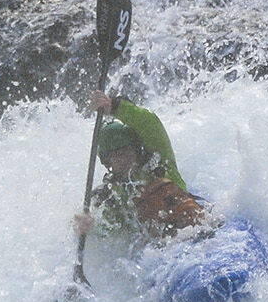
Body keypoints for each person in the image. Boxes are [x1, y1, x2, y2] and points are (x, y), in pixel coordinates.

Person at [72, 91, 213, 243]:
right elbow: (109, 231)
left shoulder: (160, 162)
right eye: (117, 155)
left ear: (137, 149)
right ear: (108, 161)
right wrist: (88, 227)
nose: (124, 159)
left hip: (200, 232)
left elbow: (149, 123)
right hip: (160, 248)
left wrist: (114, 106)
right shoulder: (110, 197)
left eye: (127, 151)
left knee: (159, 187)